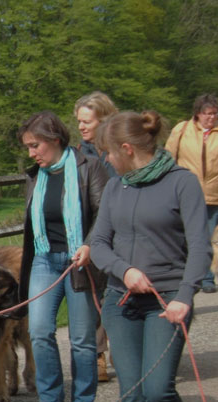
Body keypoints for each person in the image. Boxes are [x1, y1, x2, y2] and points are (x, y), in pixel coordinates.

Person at [90, 111, 212, 402]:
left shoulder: (182, 183)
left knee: (159, 389)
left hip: (167, 302)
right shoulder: (115, 188)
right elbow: (100, 243)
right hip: (121, 301)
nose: (106, 160)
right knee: (133, 394)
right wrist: (124, 271)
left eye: (109, 153)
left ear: (126, 149)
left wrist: (185, 295)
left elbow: (200, 247)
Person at [17, 111, 109, 402]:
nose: (31, 153)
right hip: (44, 260)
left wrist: (89, 246)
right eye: (28, 147)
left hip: (79, 261)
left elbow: (104, 215)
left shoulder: (90, 168)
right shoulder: (34, 176)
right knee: (40, 330)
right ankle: (52, 401)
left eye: (35, 145)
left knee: (82, 339)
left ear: (54, 140)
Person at [165, 94, 218, 293]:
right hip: (185, 192)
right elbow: (168, 158)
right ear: (198, 113)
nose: (211, 117)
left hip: (217, 193)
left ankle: (208, 278)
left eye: (215, 113)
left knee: (212, 238)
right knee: (186, 237)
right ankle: (185, 276)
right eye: (207, 114)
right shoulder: (182, 130)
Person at [74, 91, 119, 382]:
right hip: (94, 231)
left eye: (86, 121)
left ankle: (124, 345)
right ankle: (100, 356)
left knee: (118, 291)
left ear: (104, 120)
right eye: (78, 121)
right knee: (95, 293)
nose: (81, 126)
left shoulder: (119, 151)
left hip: (123, 230)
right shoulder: (78, 155)